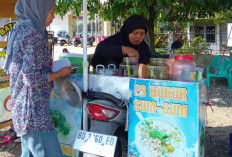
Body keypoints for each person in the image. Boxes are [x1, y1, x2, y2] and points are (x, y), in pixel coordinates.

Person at [3, 0, 73, 156]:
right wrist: (60, 73)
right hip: (34, 112)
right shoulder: (33, 34)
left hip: (23, 107)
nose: (54, 16)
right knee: (50, 153)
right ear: (38, 10)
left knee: (29, 153)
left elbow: (26, 69)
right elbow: (32, 79)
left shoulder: (21, 29)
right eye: (52, 11)